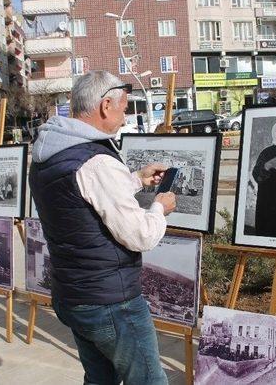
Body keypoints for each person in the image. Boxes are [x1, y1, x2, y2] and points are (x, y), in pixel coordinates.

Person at [29, 70, 177, 385]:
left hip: (73, 294)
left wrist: (135, 179)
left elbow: (81, 200)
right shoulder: (97, 162)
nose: (125, 116)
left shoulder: (48, 154)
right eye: (124, 108)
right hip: (112, 301)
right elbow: (141, 235)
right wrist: (159, 208)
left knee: (99, 379)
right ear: (105, 105)